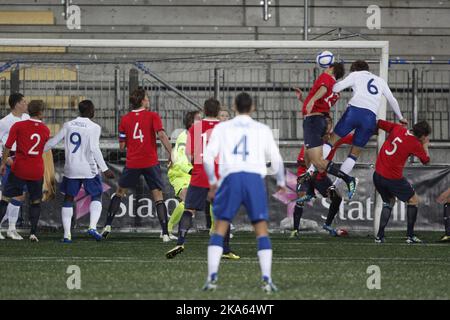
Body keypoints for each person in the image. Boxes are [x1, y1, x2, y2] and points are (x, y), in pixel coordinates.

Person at [202, 92, 286, 293]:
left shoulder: (222, 128)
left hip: (230, 179)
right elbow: (277, 160)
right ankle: (266, 280)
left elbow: (206, 158)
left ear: (233, 106)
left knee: (220, 226)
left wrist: (213, 182)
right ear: (253, 107)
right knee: (261, 229)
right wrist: (281, 180)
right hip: (254, 180)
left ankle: (212, 278)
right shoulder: (262, 129)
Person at [304, 60, 408, 197]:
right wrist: (400, 117)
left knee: (331, 142)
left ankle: (311, 170)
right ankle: (336, 185)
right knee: (353, 155)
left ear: (354, 70)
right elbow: (392, 99)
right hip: (370, 118)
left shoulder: (355, 75)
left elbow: (336, 88)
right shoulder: (380, 80)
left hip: (354, 113)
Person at [165, 98, 238, 260]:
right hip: (216, 177)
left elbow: (189, 155)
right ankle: (225, 250)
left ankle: (180, 242)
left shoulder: (195, 128)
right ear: (218, 111)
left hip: (199, 175)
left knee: (189, 210)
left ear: (204, 110)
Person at [101, 88, 173, 242]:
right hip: (150, 161)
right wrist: (170, 152)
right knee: (158, 197)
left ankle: (107, 226)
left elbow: (121, 145)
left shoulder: (125, 119)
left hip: (133, 162)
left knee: (119, 193)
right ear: (142, 101)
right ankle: (165, 233)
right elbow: (161, 135)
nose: (148, 100)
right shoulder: (153, 116)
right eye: (146, 98)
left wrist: (132, 142)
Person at [44, 100, 115, 243]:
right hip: (88, 168)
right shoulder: (94, 127)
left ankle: (67, 235)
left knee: (69, 198)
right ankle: (92, 227)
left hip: (71, 168)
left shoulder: (68, 125)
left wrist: (36, 152)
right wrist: (105, 169)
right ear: (90, 111)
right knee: (96, 195)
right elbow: (94, 149)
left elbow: (53, 142)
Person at [297, 62, 358, 200]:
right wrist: (304, 100)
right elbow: (322, 103)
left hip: (313, 122)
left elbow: (323, 89)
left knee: (317, 161)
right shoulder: (336, 92)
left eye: (328, 66)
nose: (325, 68)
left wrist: (312, 99)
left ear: (332, 69)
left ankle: (348, 179)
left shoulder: (326, 78)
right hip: (319, 120)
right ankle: (311, 190)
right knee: (309, 158)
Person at [292, 116, 353, 238]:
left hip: (321, 176)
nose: (328, 125)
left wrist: (370, 130)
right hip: (306, 174)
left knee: (337, 198)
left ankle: (327, 225)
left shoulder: (334, 139)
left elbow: (352, 138)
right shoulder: (313, 138)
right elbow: (301, 161)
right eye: (326, 122)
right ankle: (295, 230)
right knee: (301, 197)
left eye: (330, 122)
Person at [0, 100, 50, 242]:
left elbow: (7, 146)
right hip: (36, 170)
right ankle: (33, 233)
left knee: (5, 199)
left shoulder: (18, 125)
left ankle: (9, 228)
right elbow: (43, 148)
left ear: (29, 111)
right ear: (41, 113)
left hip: (19, 168)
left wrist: (3, 164)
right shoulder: (45, 129)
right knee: (35, 202)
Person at [374, 120, 431, 244]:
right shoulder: (415, 143)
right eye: (426, 137)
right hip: (392, 178)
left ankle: (379, 236)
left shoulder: (398, 128)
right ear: (422, 136)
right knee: (414, 200)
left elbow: (378, 123)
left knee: (389, 201)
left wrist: (374, 132)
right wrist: (425, 146)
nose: (426, 139)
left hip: (377, 175)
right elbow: (426, 161)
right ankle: (410, 236)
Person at [167, 110, 201, 237]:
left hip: (191, 172)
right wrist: (191, 170)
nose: (202, 120)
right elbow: (180, 158)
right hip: (180, 172)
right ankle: (167, 229)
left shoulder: (198, 135)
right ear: (191, 122)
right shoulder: (185, 136)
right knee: (188, 201)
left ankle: (215, 230)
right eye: (199, 118)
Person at [0, 93, 30, 240]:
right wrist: (4, 160)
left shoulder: (27, 118)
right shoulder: (5, 122)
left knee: (20, 194)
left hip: (23, 159)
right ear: (17, 104)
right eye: (24, 102)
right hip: (10, 159)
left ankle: (12, 229)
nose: (26, 104)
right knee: (4, 194)